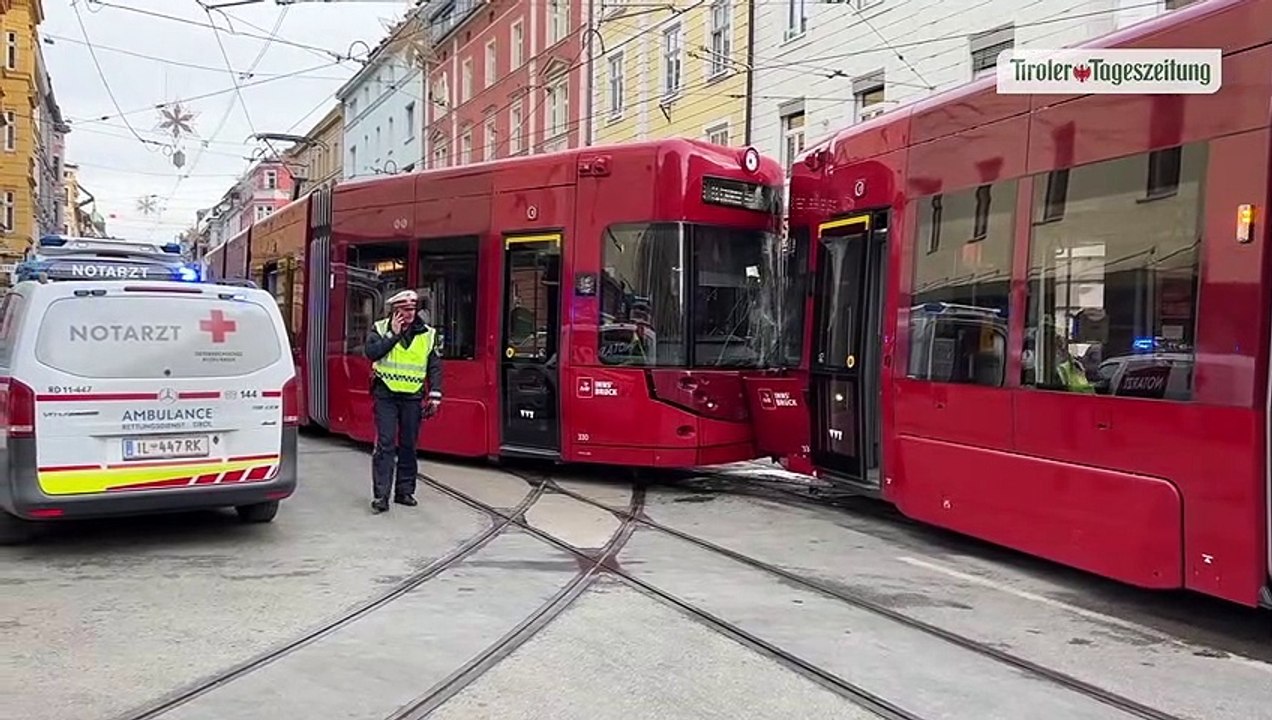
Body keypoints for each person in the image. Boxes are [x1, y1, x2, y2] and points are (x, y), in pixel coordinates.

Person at [363, 289, 443, 514]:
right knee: (385, 445)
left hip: (412, 396)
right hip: (385, 394)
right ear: (395, 310)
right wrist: (393, 335)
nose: (409, 313)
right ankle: (381, 496)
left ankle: (404, 491)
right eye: (404, 310)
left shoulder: (428, 334)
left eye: (412, 309)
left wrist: (435, 394)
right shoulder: (380, 329)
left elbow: (435, 366)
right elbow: (371, 353)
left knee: (409, 444)